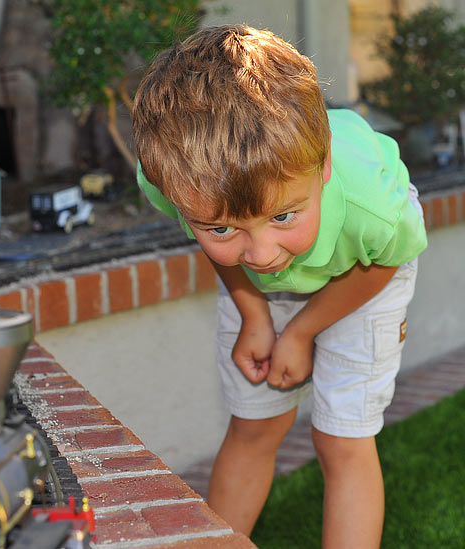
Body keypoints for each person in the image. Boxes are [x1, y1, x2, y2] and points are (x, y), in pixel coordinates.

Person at [132, 25, 427, 548]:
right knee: (254, 425)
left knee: (342, 438)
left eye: (284, 216)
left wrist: (302, 330)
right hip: (262, 293)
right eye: (221, 227)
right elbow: (219, 239)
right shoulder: (177, 175)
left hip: (364, 272)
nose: (263, 254)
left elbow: (385, 263)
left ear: (323, 167)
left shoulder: (374, 209)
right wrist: (254, 313)